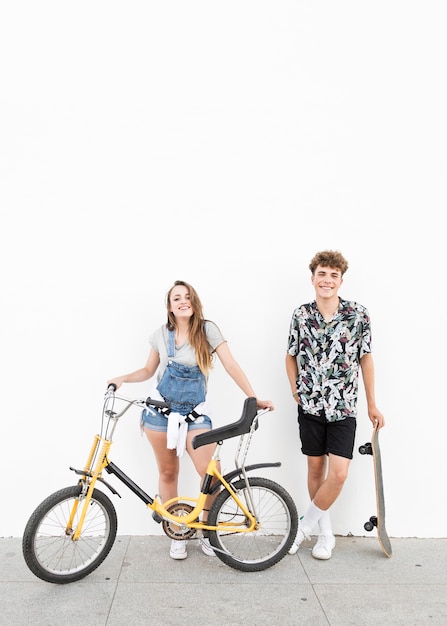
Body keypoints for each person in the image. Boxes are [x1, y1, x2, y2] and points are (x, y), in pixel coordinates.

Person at [108, 280, 274, 561]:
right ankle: (178, 530)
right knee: (168, 473)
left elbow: (231, 364)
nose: (182, 301)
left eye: (187, 297)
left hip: (195, 413)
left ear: (194, 303)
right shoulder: (161, 334)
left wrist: (252, 397)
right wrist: (122, 378)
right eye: (176, 298)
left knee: (212, 474)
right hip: (159, 414)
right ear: (170, 307)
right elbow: (149, 370)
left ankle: (209, 530)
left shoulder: (208, 330)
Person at [285, 250, 384, 560]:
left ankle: (303, 527)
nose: (327, 280)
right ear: (313, 278)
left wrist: (372, 403)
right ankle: (325, 535)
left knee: (338, 474)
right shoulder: (301, 315)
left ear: (341, 280)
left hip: (343, 407)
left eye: (333, 275)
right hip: (310, 406)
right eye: (322, 274)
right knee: (316, 469)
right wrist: (294, 390)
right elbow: (290, 355)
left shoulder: (358, 315)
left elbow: (365, 359)